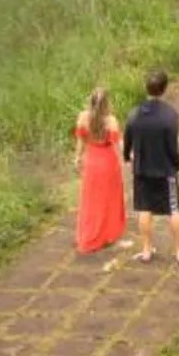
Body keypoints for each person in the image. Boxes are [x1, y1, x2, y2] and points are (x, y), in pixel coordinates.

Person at [121, 68, 179, 263]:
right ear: (165, 89)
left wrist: (127, 156)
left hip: (142, 168)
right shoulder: (170, 116)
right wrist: (176, 165)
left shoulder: (134, 114)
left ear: (147, 88)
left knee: (145, 208)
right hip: (165, 169)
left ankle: (146, 248)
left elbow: (127, 140)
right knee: (173, 209)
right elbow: (172, 145)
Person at [73, 85, 126, 254]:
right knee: (108, 200)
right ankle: (107, 234)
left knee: (90, 201)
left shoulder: (82, 118)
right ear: (107, 103)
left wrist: (77, 158)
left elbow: (80, 143)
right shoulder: (110, 121)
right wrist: (130, 157)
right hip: (108, 163)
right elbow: (119, 145)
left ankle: (89, 235)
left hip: (91, 162)